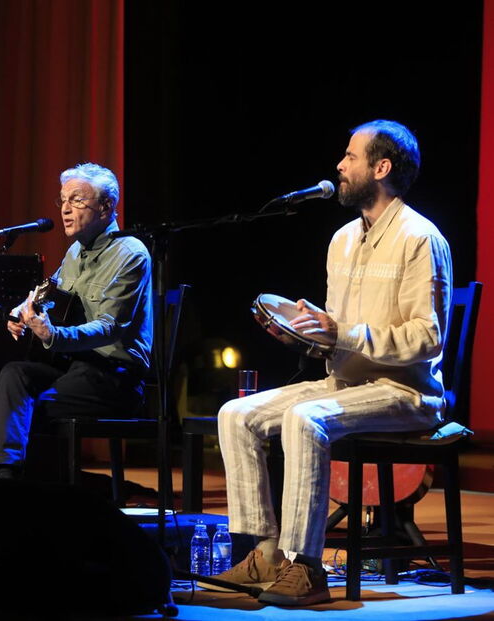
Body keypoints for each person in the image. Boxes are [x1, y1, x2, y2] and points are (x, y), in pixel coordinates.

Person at [214, 120, 452, 606]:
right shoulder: (342, 239)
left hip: (406, 393)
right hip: (345, 383)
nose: (339, 166)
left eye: (350, 157)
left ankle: (306, 567)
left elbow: (427, 337)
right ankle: (265, 554)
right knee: (235, 414)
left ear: (381, 168)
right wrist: (304, 335)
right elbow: (335, 334)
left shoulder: (420, 238)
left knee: (305, 419)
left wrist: (341, 334)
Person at [0, 162, 153, 478]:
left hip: (114, 376)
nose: (65, 209)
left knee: (27, 411)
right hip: (74, 367)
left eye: (76, 200)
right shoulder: (75, 253)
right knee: (13, 377)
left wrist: (52, 335)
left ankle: (36, 492)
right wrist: (24, 311)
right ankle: (2, 481)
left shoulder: (131, 253)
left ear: (106, 208)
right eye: (62, 201)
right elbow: (49, 293)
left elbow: (110, 327)